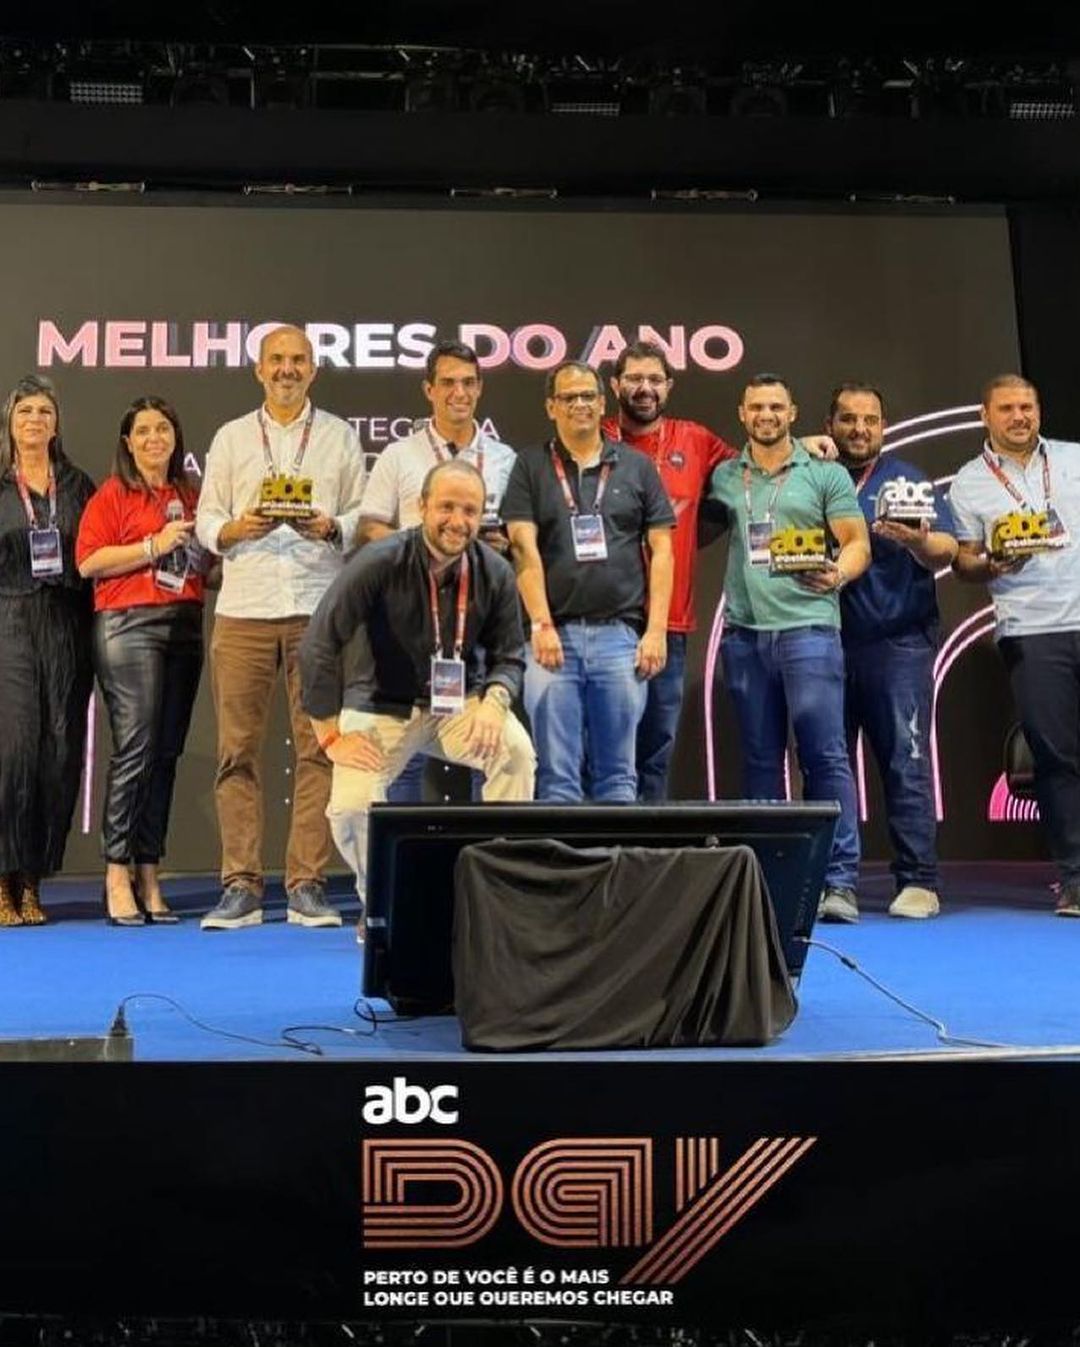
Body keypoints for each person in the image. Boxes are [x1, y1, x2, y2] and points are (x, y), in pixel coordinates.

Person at [299, 459, 535, 903]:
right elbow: (319, 643)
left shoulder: (496, 572)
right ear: (422, 506)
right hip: (381, 705)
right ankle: (380, 902)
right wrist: (329, 736)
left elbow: (510, 655)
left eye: (470, 510)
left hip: (458, 706)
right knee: (350, 807)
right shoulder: (379, 560)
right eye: (447, 507)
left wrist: (494, 702)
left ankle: (500, 890)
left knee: (516, 752)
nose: (458, 521)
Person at [195, 324, 367, 930]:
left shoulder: (340, 436)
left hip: (318, 608)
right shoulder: (232, 436)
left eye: (298, 359)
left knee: (320, 749)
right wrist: (234, 530)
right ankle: (240, 884)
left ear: (313, 369)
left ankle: (307, 884)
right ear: (259, 369)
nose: (287, 369)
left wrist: (332, 527)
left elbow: (362, 513)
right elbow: (206, 519)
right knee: (235, 752)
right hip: (244, 606)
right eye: (277, 359)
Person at [708, 374, 870, 922]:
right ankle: (767, 882)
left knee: (825, 757)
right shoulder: (725, 475)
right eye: (757, 407)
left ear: (793, 413)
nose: (767, 415)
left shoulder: (824, 471)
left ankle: (839, 881)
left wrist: (839, 574)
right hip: (745, 635)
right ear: (742, 413)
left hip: (809, 630)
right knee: (759, 761)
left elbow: (856, 542)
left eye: (776, 406)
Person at [502, 360, 674, 802]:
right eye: (568, 397)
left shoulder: (636, 466)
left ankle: (615, 850)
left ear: (602, 403)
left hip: (620, 639)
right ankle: (561, 851)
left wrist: (656, 631)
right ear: (551, 407)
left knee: (618, 777)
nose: (579, 404)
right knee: (556, 777)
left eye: (587, 396)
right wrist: (541, 624)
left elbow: (662, 551)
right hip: (551, 640)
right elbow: (523, 549)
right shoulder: (530, 465)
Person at [356, 338, 516, 802]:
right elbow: (369, 526)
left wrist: (500, 543)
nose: (458, 393)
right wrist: (419, 549)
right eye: (447, 383)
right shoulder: (399, 455)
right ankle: (402, 845)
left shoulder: (504, 459)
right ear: (429, 389)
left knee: (488, 743)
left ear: (480, 388)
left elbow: (519, 535)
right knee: (401, 757)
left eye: (468, 383)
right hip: (409, 619)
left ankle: (484, 847)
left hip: (479, 618)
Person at [949, 374, 1080, 917]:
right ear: (985, 415)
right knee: (1056, 756)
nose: (1019, 416)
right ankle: (1076, 878)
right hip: (1030, 629)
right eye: (1006, 408)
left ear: (1039, 410)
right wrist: (992, 563)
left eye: (1027, 406)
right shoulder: (968, 482)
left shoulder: (1074, 459)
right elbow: (964, 561)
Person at [827, 383, 958, 920]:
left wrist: (917, 540)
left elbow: (947, 548)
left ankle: (918, 880)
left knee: (907, 759)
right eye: (849, 419)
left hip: (899, 642)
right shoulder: (813, 476)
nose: (860, 429)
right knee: (828, 764)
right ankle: (835, 884)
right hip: (825, 642)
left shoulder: (908, 480)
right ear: (830, 425)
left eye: (870, 420)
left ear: (883, 426)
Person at [76, 397, 206, 925]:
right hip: (128, 625)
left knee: (167, 753)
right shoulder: (113, 494)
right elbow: (88, 561)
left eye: (163, 429)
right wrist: (153, 545)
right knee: (136, 748)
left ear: (176, 437)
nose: (155, 438)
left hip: (185, 624)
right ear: (128, 442)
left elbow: (206, 566)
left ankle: (150, 871)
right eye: (144, 431)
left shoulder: (191, 495)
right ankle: (116, 872)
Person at [603, 341, 737, 801]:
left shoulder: (695, 439)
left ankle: (648, 841)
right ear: (615, 385)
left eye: (655, 379)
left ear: (669, 386)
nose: (645, 388)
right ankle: (599, 841)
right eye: (634, 379)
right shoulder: (594, 437)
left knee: (656, 748)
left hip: (671, 624)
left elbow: (757, 469)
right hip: (605, 620)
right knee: (604, 745)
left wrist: (802, 446)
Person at [0, 374, 94, 927]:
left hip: (67, 627)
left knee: (59, 752)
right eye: (25, 412)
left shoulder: (79, 485)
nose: (34, 420)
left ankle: (32, 880)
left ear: (56, 424)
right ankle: (2, 879)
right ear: (10, 423)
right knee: (14, 751)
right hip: (9, 622)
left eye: (44, 412)